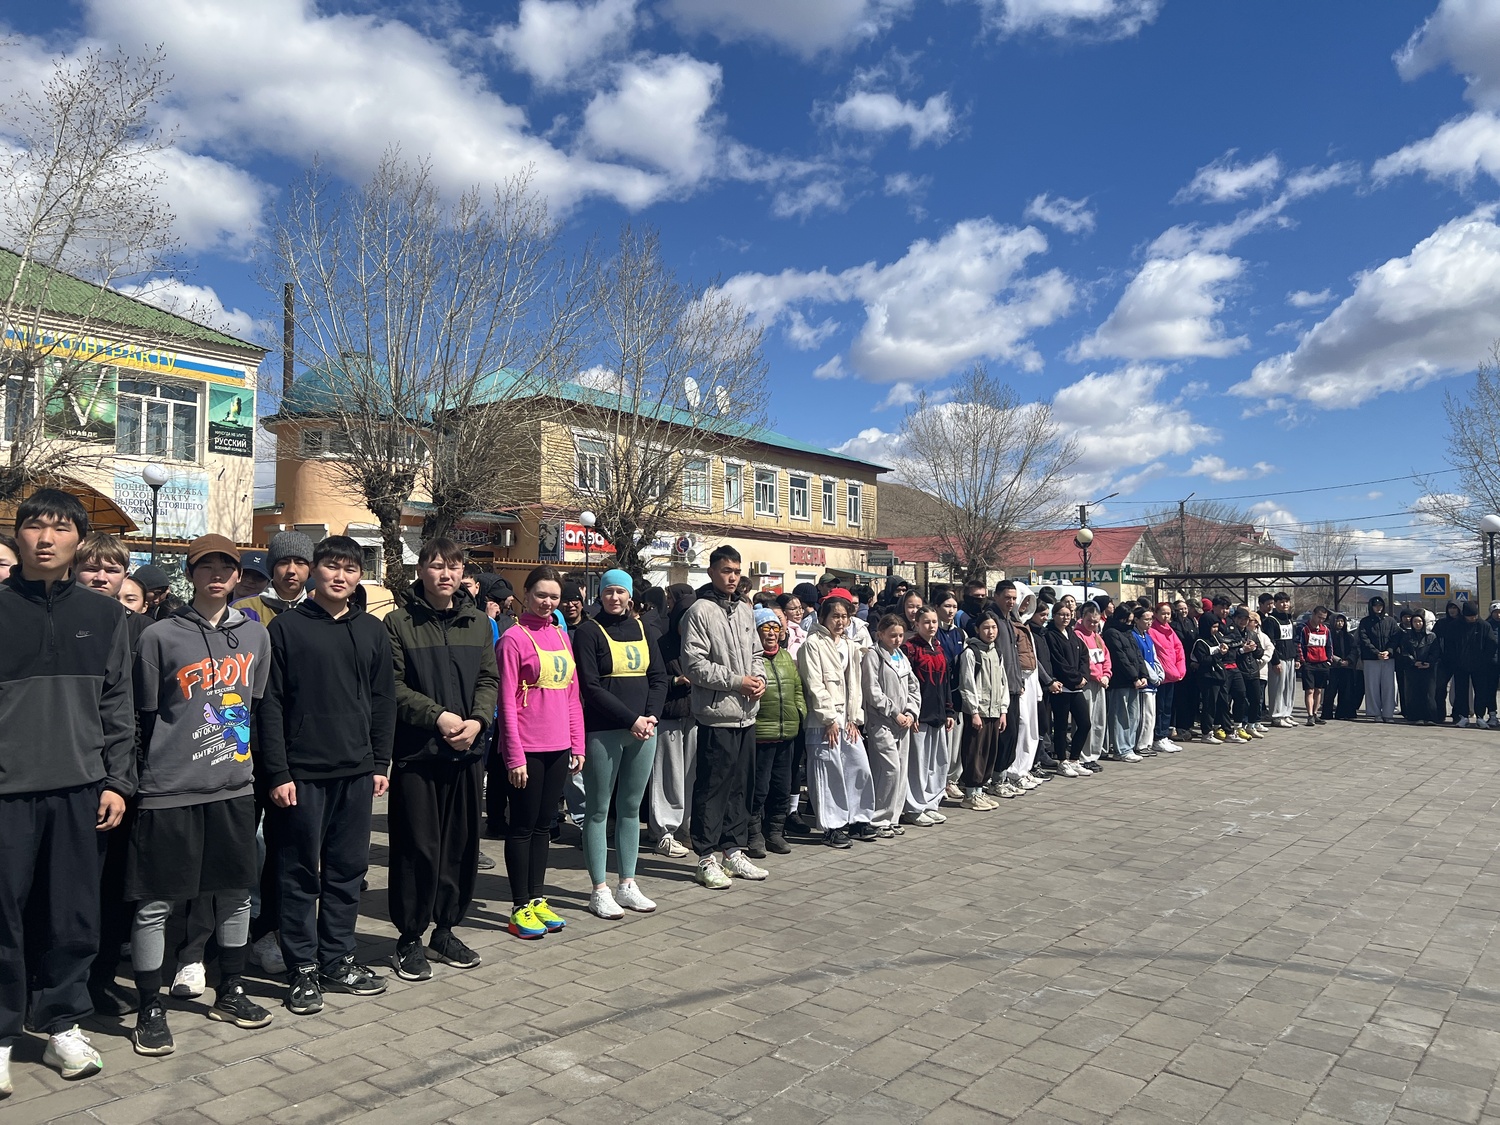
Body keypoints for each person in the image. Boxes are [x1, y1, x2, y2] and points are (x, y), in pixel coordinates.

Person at [0, 490, 134, 1090]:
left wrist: (118, 781)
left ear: (79, 541)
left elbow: (117, 704)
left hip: (81, 788)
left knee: (73, 915)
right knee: (3, 915)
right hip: (7, 792)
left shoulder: (105, 616)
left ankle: (61, 1024)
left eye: (60, 528)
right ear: (19, 535)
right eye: (35, 526)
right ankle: (2, 1034)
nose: (46, 538)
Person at [127, 535, 273, 1056]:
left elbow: (255, 707)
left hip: (233, 786)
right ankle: (149, 1006)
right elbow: (144, 716)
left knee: (235, 893)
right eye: (205, 566)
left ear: (238, 576)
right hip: (168, 789)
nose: (216, 574)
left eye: (225, 567)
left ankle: (230, 988)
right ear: (189, 574)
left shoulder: (255, 636)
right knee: (156, 901)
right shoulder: (159, 636)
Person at [256, 535, 396, 1014]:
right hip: (302, 775)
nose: (340, 576)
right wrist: (278, 772)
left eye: (350, 569)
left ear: (359, 576)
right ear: (315, 571)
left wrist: (380, 762)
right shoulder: (286, 629)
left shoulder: (371, 631)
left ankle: (337, 958)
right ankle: (302, 967)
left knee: (347, 870)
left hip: (357, 772)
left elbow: (383, 700)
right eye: (332, 566)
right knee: (298, 873)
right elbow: (270, 705)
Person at [384, 539, 499, 981]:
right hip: (418, 754)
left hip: (466, 753)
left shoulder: (477, 622)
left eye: (453, 566)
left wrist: (478, 720)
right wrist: (438, 717)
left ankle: (445, 930)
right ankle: (409, 937)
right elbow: (393, 687)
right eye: (436, 566)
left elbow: (488, 678)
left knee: (460, 846)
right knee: (417, 847)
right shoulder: (399, 622)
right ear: (421, 570)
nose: (445, 574)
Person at [495, 565, 585, 936]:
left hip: (559, 747)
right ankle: (519, 907)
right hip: (527, 749)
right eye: (541, 595)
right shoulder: (512, 639)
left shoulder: (561, 636)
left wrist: (577, 742)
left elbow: (572, 695)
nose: (547, 602)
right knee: (522, 826)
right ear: (527, 594)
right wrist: (514, 755)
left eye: (554, 597)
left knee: (545, 826)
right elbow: (505, 701)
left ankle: (537, 898)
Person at [575, 568, 667, 919]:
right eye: (609, 591)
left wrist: (651, 716)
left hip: (644, 731)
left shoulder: (644, 630)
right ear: (600, 595)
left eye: (620, 592)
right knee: (598, 810)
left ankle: (627, 883)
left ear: (630, 596)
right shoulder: (589, 631)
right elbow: (591, 687)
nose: (615, 598)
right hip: (604, 732)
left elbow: (658, 678)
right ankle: (599, 889)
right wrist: (631, 720)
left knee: (630, 808)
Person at [679, 545, 767, 888]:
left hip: (747, 714)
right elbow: (694, 665)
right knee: (712, 787)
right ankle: (705, 856)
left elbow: (757, 652)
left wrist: (757, 678)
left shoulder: (745, 608)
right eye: (726, 570)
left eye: (736, 571)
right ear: (712, 572)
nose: (732, 577)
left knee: (740, 787)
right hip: (717, 714)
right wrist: (736, 681)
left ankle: (733, 851)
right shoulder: (699, 611)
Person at [798, 590, 871, 847]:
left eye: (844, 616)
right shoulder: (812, 644)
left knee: (858, 767)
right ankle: (832, 826)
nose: (840, 621)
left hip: (848, 720)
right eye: (835, 616)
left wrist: (855, 718)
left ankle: (858, 818)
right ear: (823, 618)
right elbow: (814, 684)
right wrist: (829, 718)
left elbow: (855, 686)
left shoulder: (850, 646)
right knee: (828, 773)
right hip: (823, 721)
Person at [647, 584, 698, 858]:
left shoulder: (701, 645)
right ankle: (663, 832)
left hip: (695, 715)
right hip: (668, 714)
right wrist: (676, 680)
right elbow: (652, 679)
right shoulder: (661, 643)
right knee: (668, 775)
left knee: (691, 775)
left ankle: (686, 827)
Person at [752, 606, 803, 855]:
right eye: (765, 628)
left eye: (775, 628)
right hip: (761, 734)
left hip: (787, 733)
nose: (771, 633)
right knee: (758, 788)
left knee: (782, 787)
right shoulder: (751, 659)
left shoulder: (785, 658)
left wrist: (799, 712)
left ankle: (775, 832)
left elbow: (797, 688)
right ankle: (754, 834)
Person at [862, 613, 918, 837]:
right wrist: (894, 712)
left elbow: (914, 686)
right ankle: (878, 819)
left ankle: (893, 817)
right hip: (882, 721)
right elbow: (872, 691)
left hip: (903, 723)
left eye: (901, 635)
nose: (897, 639)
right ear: (880, 634)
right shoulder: (873, 655)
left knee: (901, 770)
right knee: (889, 769)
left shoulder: (901, 656)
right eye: (892, 635)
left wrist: (911, 712)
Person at [901, 606, 954, 825]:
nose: (931, 626)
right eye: (926, 622)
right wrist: (910, 712)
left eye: (934, 622)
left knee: (937, 762)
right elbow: (905, 686)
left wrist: (949, 710)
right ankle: (914, 807)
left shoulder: (939, 648)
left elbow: (946, 682)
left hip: (938, 714)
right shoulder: (909, 649)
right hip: (919, 715)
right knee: (918, 764)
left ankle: (932, 801)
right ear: (916, 624)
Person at [957, 611, 1010, 808]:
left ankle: (980, 789)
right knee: (974, 752)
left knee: (989, 752)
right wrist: (974, 712)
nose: (991, 632)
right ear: (977, 629)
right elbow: (967, 684)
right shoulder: (971, 653)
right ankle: (970, 793)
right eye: (986, 628)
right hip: (978, 712)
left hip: (994, 711)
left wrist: (1003, 711)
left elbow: (1003, 683)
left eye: (994, 627)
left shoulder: (997, 652)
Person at [1045, 602, 1092, 774]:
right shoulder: (1050, 635)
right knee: (1061, 726)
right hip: (1062, 688)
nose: (1065, 617)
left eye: (1068, 614)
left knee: (1085, 723)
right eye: (1061, 614)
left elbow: (1084, 656)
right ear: (1054, 615)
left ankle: (1074, 759)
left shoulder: (1072, 634)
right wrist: (1075, 678)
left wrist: (1083, 677)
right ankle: (1062, 761)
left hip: (1077, 688)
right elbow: (1058, 663)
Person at [233, 530, 313, 627]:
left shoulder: (318, 611)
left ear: (311, 569)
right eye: (284, 563)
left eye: (299, 563)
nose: (291, 570)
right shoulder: (243, 609)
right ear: (272, 568)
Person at [1103, 605, 1146, 762]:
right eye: (1126, 621)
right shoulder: (1111, 633)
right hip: (1121, 681)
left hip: (1134, 681)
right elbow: (1120, 657)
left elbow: (1137, 655)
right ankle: (1121, 749)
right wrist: (1134, 677)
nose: (1129, 624)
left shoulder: (1128, 633)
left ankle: (1129, 746)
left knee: (1134, 715)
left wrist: (1143, 674)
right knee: (1121, 716)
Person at [1075, 600, 1111, 770]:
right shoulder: (1078, 635)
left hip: (1100, 683)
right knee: (1086, 719)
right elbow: (1085, 661)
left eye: (1095, 622)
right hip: (1088, 682)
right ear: (1083, 618)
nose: (1092, 624)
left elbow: (1106, 657)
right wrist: (1097, 676)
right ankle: (1083, 755)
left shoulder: (1097, 637)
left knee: (1099, 720)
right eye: (1089, 621)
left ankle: (1094, 754)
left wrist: (1106, 675)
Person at [1148, 603, 1185, 753]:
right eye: (1163, 613)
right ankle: (1157, 737)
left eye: (1168, 613)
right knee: (1160, 708)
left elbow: (1178, 648)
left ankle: (1164, 735)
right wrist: (1173, 672)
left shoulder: (1170, 630)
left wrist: (1180, 669)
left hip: (1172, 676)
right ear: (1156, 614)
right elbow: (1161, 654)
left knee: (1167, 708)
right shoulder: (1152, 630)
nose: (1166, 616)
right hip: (1161, 676)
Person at [1454, 602, 1497, 728]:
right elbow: (1449, 645)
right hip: (1460, 664)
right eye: (1469, 616)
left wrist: (1485, 660)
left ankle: (1480, 716)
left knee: (1481, 691)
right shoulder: (1456, 626)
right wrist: (1455, 660)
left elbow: (1491, 644)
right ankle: (1463, 716)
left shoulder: (1484, 625)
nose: (1472, 618)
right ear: (1464, 615)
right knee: (1461, 691)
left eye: (1474, 616)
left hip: (1480, 665)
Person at [1359, 596, 1399, 722]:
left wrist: (1389, 651)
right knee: (1372, 687)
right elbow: (1364, 639)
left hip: (1388, 658)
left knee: (1389, 687)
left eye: (1380, 605)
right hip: (1371, 659)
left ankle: (1388, 713)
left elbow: (1395, 638)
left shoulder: (1390, 621)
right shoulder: (1365, 622)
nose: (1378, 608)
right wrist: (1376, 652)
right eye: (1376, 605)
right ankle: (1375, 713)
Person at [1192, 613, 1230, 743]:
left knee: (1224, 704)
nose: (1215, 630)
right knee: (1209, 705)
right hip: (1208, 677)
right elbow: (1203, 660)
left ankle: (1228, 730)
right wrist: (1218, 654)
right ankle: (1206, 732)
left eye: (1217, 627)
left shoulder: (1216, 638)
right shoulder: (1199, 642)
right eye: (1213, 627)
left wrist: (1224, 650)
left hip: (1220, 675)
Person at [1398, 611, 1439, 726]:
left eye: (1420, 621)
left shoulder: (1431, 636)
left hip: (1428, 669)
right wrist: (1414, 662)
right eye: (1415, 621)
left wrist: (1429, 662)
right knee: (1414, 693)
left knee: (1429, 693)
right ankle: (1416, 716)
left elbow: (1435, 651)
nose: (1418, 624)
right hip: (1412, 668)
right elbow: (1404, 652)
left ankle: (1430, 717)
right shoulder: (1407, 636)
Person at [1298, 606, 1333, 726]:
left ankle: (1315, 713)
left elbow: (1329, 646)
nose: (1320, 620)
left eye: (1323, 618)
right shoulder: (1304, 628)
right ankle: (1309, 715)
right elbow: (1299, 645)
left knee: (1318, 690)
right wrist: (1302, 660)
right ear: (1313, 614)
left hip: (1322, 663)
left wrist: (1329, 660)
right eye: (1319, 617)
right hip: (1309, 663)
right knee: (1309, 690)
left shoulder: (1326, 629)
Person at [1325, 613, 1361, 721]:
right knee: (1330, 691)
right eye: (1338, 621)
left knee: (1346, 691)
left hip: (1347, 667)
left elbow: (1354, 650)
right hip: (1333, 667)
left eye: (1342, 621)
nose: (1340, 623)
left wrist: (1348, 660)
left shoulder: (1349, 636)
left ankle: (1343, 713)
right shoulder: (1328, 635)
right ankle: (1327, 713)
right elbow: (1327, 650)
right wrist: (1338, 661)